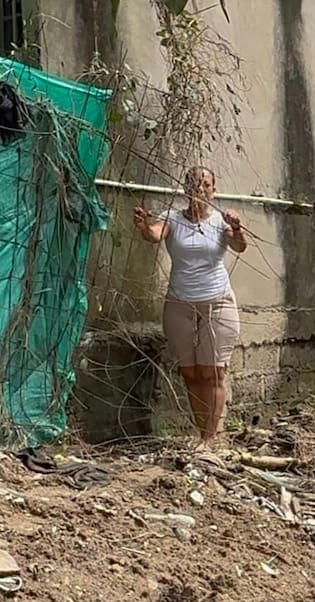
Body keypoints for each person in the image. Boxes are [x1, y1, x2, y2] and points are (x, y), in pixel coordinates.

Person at [133, 166, 247, 450]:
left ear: (213, 190)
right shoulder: (172, 217)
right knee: (190, 372)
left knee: (213, 371)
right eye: (194, 184)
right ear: (185, 189)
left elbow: (239, 246)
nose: (200, 189)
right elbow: (155, 234)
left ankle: (209, 438)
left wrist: (237, 227)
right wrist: (145, 226)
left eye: (206, 184)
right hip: (180, 301)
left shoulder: (221, 221)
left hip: (217, 301)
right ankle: (201, 432)